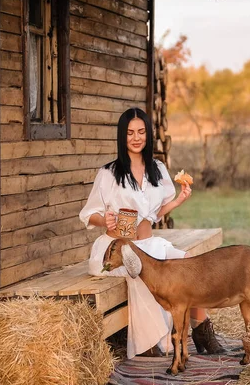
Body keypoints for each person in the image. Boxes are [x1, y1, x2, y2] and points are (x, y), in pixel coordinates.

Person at [79, 107, 224, 359]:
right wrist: (105, 220)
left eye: (141, 132)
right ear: (121, 137)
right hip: (118, 249)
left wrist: (178, 201)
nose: (136, 138)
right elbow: (88, 214)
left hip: (148, 243)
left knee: (188, 261)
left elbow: (154, 214)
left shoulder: (157, 168)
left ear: (147, 135)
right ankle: (150, 343)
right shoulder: (108, 173)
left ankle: (201, 329)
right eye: (130, 133)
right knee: (139, 268)